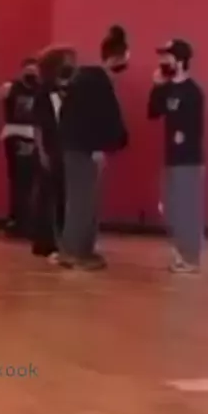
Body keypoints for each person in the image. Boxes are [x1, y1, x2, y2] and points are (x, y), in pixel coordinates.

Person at [59, 25, 129, 270]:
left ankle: (82, 250)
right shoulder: (95, 83)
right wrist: (98, 147)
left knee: (86, 200)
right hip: (83, 150)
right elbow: (95, 119)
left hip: (80, 148)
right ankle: (74, 252)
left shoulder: (89, 80)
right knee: (82, 201)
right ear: (117, 57)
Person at [148, 39, 204, 273]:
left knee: (187, 208)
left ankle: (191, 259)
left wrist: (183, 135)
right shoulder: (168, 88)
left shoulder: (193, 91)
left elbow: (195, 126)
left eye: (167, 57)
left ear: (180, 61)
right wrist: (157, 86)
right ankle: (181, 253)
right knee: (170, 208)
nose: (162, 61)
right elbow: (153, 113)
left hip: (188, 160)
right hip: (170, 158)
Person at [32, 46, 76, 262]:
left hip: (68, 147)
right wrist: (41, 151)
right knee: (47, 196)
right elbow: (38, 126)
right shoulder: (42, 93)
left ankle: (66, 240)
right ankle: (45, 242)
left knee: (65, 195)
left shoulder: (73, 90)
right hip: (50, 147)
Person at [0, 57, 40, 237]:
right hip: (14, 134)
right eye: (28, 71)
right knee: (18, 178)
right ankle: (17, 218)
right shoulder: (11, 87)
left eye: (34, 72)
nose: (31, 75)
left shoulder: (41, 89)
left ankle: (27, 219)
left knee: (31, 179)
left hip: (34, 134)